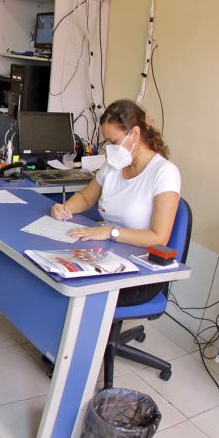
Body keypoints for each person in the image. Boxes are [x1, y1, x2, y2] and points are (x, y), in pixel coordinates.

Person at [51, 100, 181, 306]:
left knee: (72, 287)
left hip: (138, 269)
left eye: (114, 141)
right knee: (55, 269)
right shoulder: (114, 165)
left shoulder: (164, 173)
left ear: (135, 134)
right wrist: (65, 209)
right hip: (105, 252)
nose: (110, 148)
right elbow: (86, 197)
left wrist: (111, 232)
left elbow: (159, 237)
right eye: (107, 142)